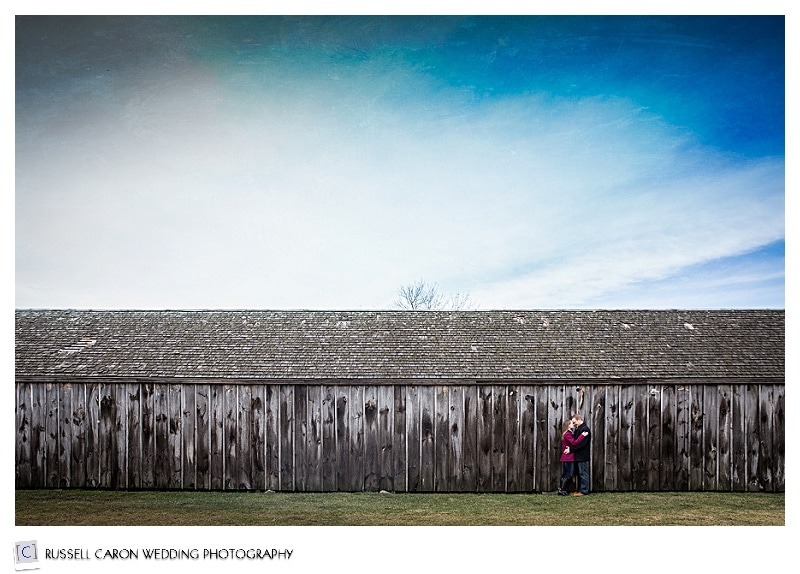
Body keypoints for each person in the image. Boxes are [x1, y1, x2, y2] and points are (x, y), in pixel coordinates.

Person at [557, 418, 589, 495]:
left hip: (567, 457)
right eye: (571, 423)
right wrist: (582, 435)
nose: (573, 424)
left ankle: (561, 489)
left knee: (566, 473)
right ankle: (562, 489)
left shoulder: (569, 433)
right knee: (569, 473)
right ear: (568, 426)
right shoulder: (568, 434)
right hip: (568, 457)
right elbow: (574, 443)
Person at [570, 413, 591, 496]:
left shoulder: (585, 429)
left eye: (574, 422)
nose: (574, 424)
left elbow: (581, 444)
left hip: (583, 455)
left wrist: (572, 449)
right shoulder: (579, 429)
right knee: (579, 473)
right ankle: (579, 490)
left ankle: (584, 490)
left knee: (583, 473)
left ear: (579, 420)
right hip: (578, 455)